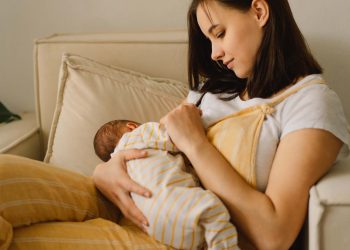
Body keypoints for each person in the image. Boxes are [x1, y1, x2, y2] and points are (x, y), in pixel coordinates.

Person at [0, 0, 349, 249]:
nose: (214, 53)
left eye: (220, 33)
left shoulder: (310, 102)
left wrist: (197, 144)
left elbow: (273, 235)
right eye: (209, 40)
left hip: (178, 233)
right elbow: (160, 146)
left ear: (259, 11)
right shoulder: (214, 88)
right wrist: (107, 170)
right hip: (120, 195)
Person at [93, 119, 239, 249]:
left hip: (155, 228)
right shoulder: (139, 134)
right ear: (132, 126)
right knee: (213, 212)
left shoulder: (121, 169)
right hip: (176, 203)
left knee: (200, 236)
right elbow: (178, 136)